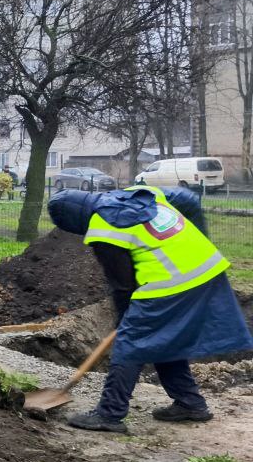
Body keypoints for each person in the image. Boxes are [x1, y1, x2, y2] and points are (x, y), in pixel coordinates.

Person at [47, 184, 253, 433]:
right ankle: (190, 403)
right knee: (163, 341)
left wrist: (125, 321)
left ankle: (109, 414)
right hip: (207, 268)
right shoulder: (135, 192)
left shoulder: (104, 227)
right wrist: (198, 234)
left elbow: (123, 285)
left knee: (131, 342)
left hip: (171, 281)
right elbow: (187, 198)